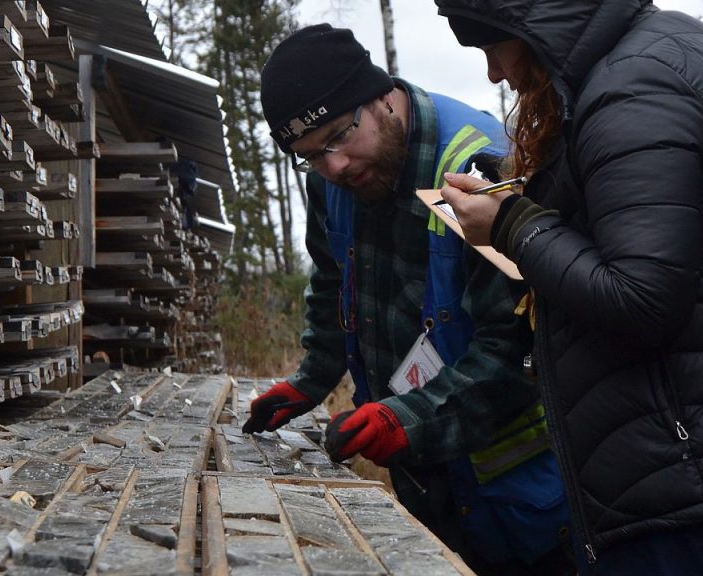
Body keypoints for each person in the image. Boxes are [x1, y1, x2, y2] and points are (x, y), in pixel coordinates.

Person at [433, 1, 703, 575]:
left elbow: (640, 296)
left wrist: (512, 226)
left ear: (534, 25)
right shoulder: (663, 51)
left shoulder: (631, 91)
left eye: (494, 47)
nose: (495, 73)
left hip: (699, 486)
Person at [242, 23, 572, 575]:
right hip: (422, 481)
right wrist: (313, 377)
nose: (334, 166)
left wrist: (405, 421)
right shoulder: (332, 182)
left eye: (340, 136)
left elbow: (519, 352)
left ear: (379, 95)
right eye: (311, 155)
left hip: (524, 500)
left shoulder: (479, 171)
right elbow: (333, 284)